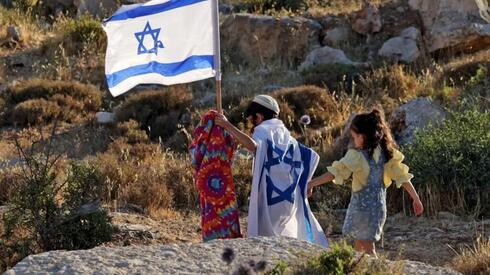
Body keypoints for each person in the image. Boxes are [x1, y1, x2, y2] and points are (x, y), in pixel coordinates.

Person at [215, 95, 328, 247]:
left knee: (265, 243)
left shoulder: (262, 130)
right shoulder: (284, 133)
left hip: (270, 198)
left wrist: (226, 125)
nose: (250, 122)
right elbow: (309, 156)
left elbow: (253, 146)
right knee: (283, 241)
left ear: (259, 116)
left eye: (251, 118)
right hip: (289, 198)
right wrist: (307, 182)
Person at [307, 109, 423, 256]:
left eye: (354, 137)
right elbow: (403, 176)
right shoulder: (387, 155)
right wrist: (416, 199)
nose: (354, 141)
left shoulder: (356, 156)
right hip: (377, 210)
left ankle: (376, 270)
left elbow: (334, 173)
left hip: (360, 211)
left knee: (367, 249)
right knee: (360, 248)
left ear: (363, 137)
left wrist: (310, 184)